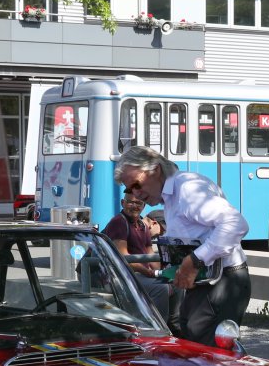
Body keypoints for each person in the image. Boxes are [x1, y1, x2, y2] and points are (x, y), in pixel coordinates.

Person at [114, 144, 249, 345]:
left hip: (222, 281)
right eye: (129, 189)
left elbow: (236, 224)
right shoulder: (172, 196)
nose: (135, 194)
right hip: (208, 282)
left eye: (137, 184)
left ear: (155, 170)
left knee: (209, 352)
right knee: (192, 339)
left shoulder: (187, 188)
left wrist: (195, 260)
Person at [103, 191, 173, 323]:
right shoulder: (119, 222)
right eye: (130, 202)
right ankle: (157, 327)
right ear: (122, 203)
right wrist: (148, 272)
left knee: (176, 284)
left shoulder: (143, 226)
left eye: (138, 203)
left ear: (144, 206)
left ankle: (175, 326)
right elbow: (123, 258)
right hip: (118, 276)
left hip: (137, 275)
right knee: (160, 288)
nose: (134, 206)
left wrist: (162, 274)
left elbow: (150, 255)